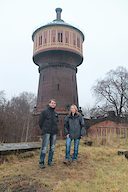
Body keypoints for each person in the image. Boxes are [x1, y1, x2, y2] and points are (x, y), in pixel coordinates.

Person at [39, 99, 58, 168]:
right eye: (52, 103)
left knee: (52, 148)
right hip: (46, 132)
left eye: (54, 103)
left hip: (54, 132)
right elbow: (40, 122)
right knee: (44, 148)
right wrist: (44, 129)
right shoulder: (44, 112)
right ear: (49, 104)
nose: (53, 104)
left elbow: (56, 122)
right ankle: (41, 162)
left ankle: (50, 161)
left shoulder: (56, 113)